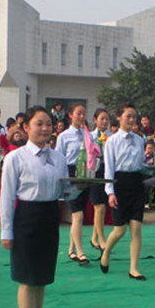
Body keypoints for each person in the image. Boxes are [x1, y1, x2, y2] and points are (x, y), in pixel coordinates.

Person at [0, 106, 76, 308]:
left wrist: (79, 188)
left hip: (48, 219)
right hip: (26, 220)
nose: (45, 129)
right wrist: (6, 231)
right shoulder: (15, 158)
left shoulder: (58, 157)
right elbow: (7, 196)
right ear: (26, 127)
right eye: (38, 124)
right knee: (27, 279)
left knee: (41, 279)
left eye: (48, 124)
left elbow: (64, 191)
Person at [99, 103, 147, 279]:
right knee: (119, 230)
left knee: (136, 228)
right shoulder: (111, 141)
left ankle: (133, 268)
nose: (132, 120)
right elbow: (109, 169)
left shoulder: (140, 140)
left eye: (134, 116)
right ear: (119, 117)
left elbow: (140, 165)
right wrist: (110, 192)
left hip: (136, 184)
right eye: (128, 116)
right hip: (119, 184)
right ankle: (106, 251)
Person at [55, 103, 91, 265]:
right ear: (70, 115)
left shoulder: (87, 134)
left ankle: (71, 250)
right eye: (78, 114)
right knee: (78, 215)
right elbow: (59, 158)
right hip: (70, 174)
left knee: (79, 214)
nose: (82, 117)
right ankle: (81, 252)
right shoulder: (64, 136)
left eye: (84, 114)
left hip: (84, 174)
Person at [89, 108, 112, 250]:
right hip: (94, 171)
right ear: (95, 120)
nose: (104, 122)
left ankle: (93, 237)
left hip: (107, 170)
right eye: (101, 119)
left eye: (107, 119)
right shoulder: (90, 136)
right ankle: (102, 239)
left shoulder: (112, 137)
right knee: (99, 206)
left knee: (102, 207)